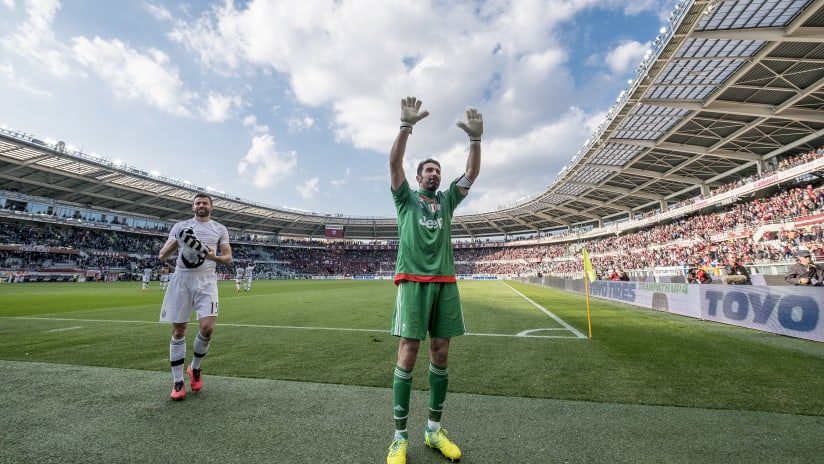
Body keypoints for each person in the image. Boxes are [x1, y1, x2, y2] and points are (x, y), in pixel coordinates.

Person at [386, 96, 482, 464]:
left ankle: (433, 430)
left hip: (445, 282)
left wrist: (475, 140)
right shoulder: (405, 200)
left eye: (438, 171)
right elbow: (393, 162)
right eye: (428, 170)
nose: (434, 174)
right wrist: (405, 127)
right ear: (418, 176)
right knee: (408, 353)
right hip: (411, 282)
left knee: (441, 352)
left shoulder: (446, 203)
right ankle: (399, 437)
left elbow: (471, 175)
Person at [158, 193, 232, 401]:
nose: (201, 205)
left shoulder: (219, 229)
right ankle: (177, 382)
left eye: (205, 203)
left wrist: (212, 256)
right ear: (193, 207)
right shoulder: (180, 226)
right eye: (198, 203)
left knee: (207, 328)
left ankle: (195, 368)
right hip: (182, 279)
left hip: (207, 280)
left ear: (211, 207)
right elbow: (162, 255)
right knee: (179, 329)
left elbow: (227, 258)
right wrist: (179, 239)